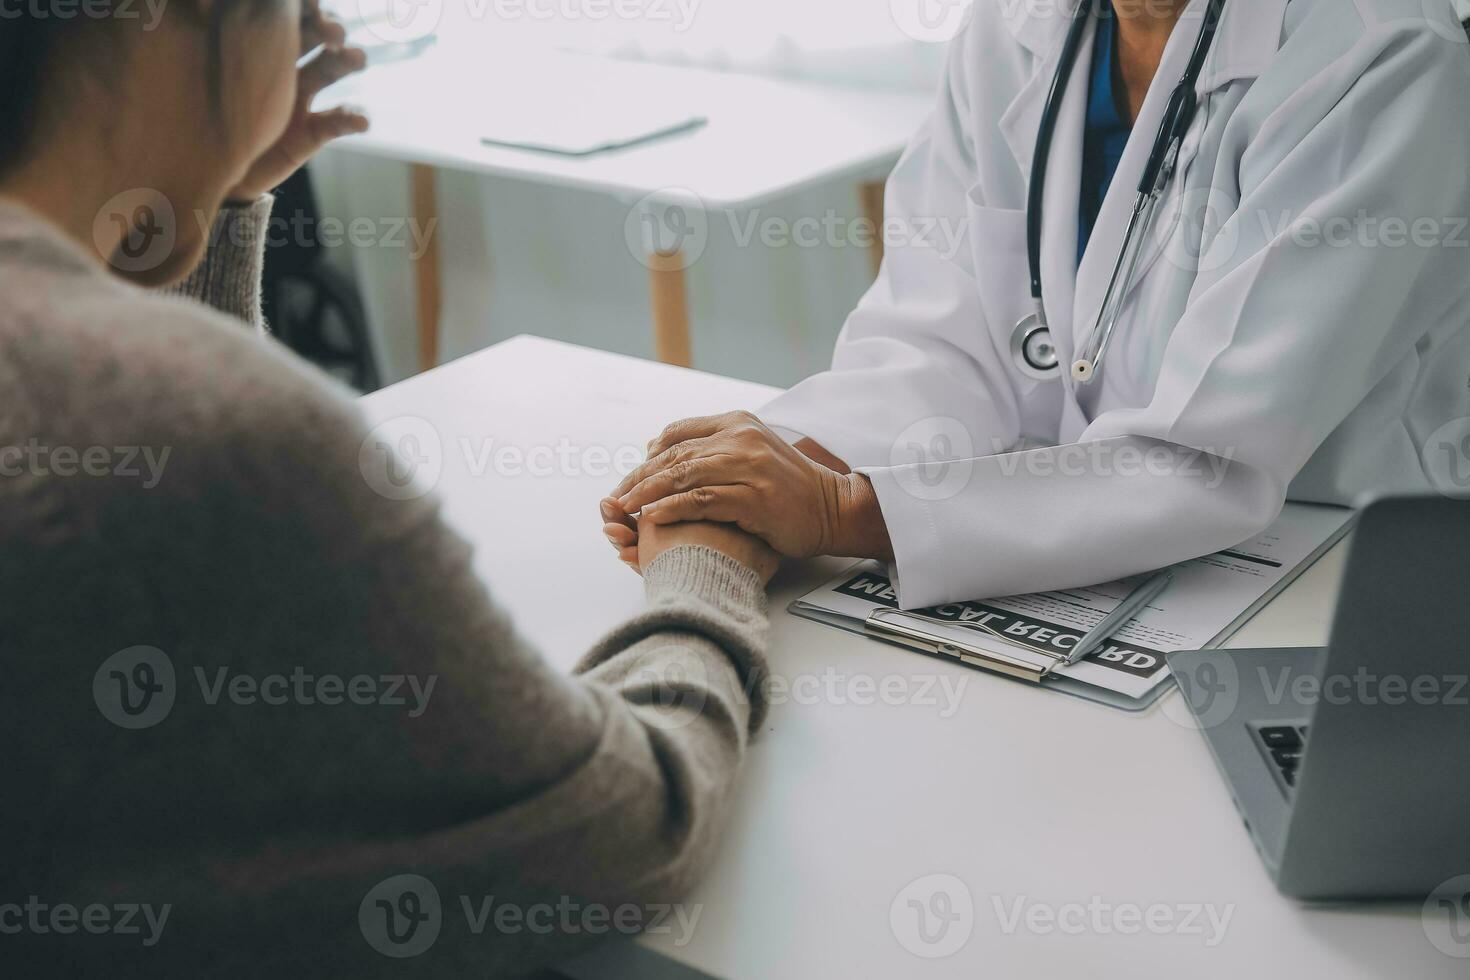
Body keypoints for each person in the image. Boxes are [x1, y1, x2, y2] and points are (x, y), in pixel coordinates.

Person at [0, 0, 778, 973]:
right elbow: (634, 820)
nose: (304, 39)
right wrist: (710, 556)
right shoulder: (238, 440)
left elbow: (133, 457)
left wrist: (195, 185)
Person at [604, 0, 1470, 610]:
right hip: (1093, 548)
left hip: (1338, 572)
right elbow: (935, 345)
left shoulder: (1380, 51)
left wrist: (840, 512)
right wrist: (774, 474)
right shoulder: (1018, 25)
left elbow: (1207, 458)